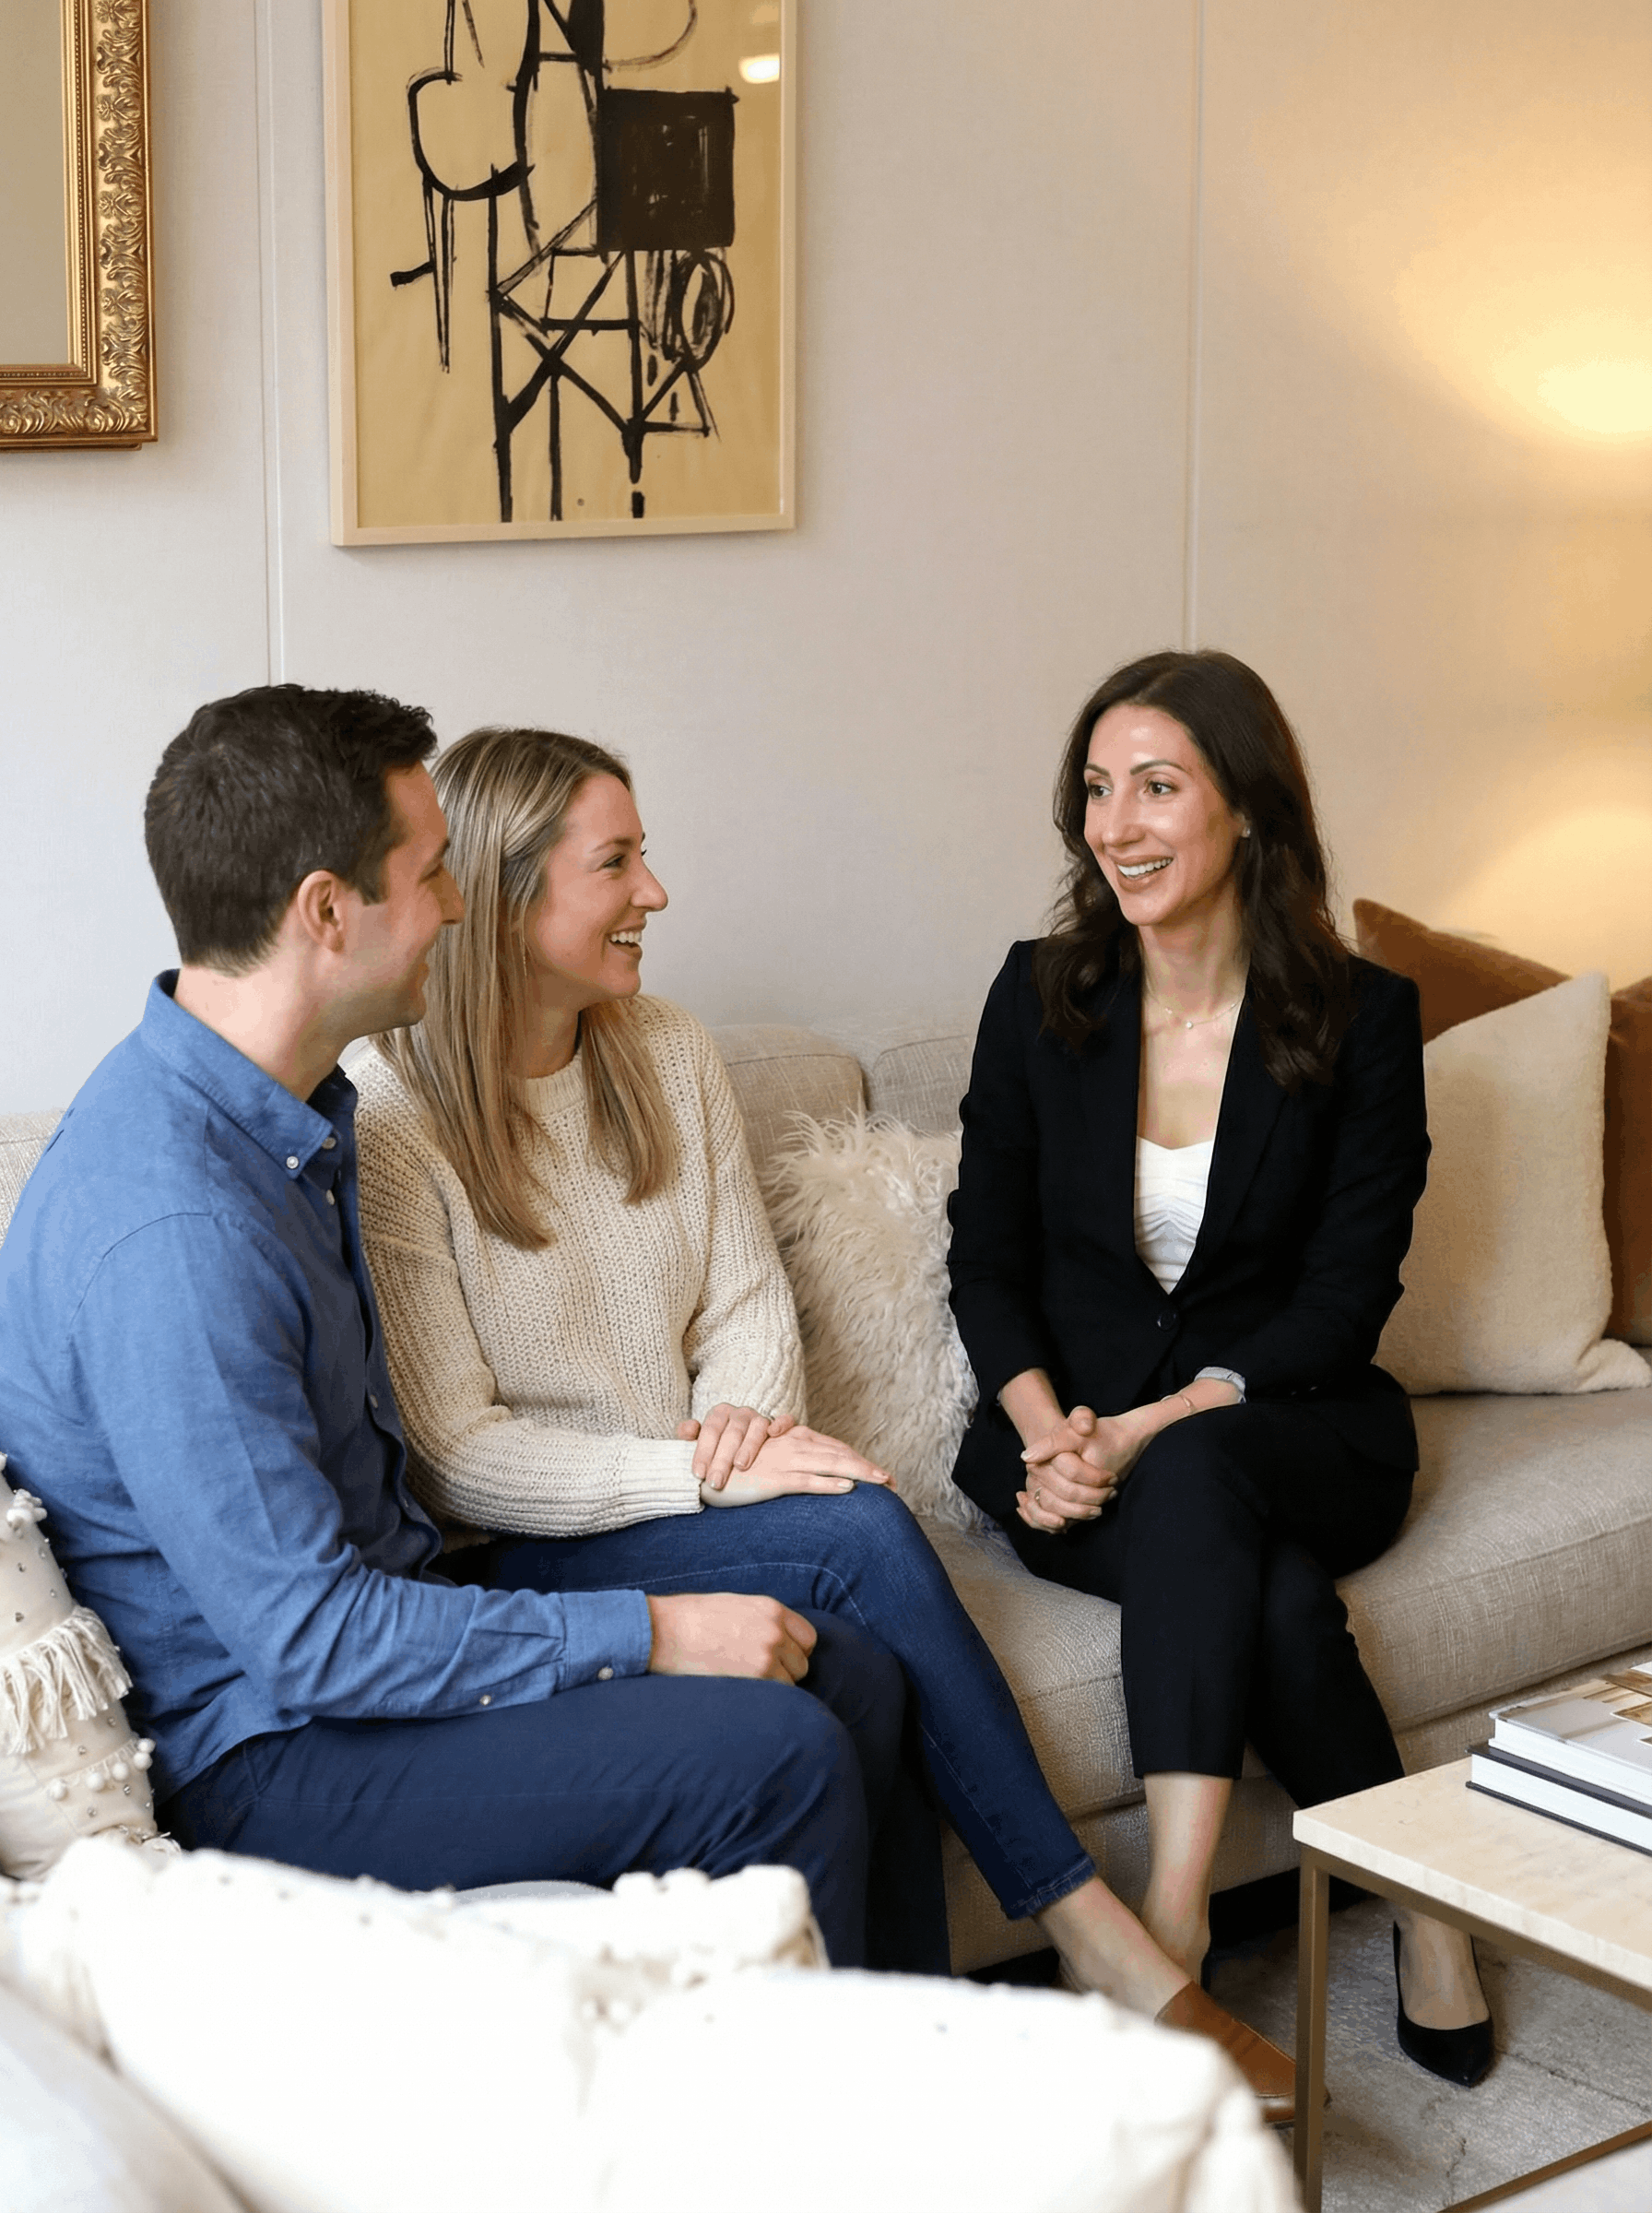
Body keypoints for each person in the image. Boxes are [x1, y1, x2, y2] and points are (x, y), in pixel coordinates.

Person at [350, 721, 1301, 2119]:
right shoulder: (394, 1112)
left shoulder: (665, 1051)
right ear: (505, 894)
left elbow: (749, 1306)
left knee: (859, 1663)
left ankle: (905, 2054)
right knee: (856, 1528)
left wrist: (738, 1436)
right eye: (617, 864)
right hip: (524, 1551)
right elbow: (457, 1455)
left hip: (693, 1501)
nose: (656, 893)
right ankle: (1099, 1939)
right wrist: (704, 1475)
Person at [0, 683, 911, 1969]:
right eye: (430, 874)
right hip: (273, 1757)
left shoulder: (282, 1115)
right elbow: (311, 1643)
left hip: (380, 1636)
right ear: (328, 911)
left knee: (846, 1669)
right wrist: (654, 1631)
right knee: (780, 1753)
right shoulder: (177, 1229)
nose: (457, 906)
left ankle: (932, 2055)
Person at [945, 648, 1494, 2087]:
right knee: (1280, 1606)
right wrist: (1046, 1433)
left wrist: (1150, 1426)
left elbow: (1343, 1302)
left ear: (1247, 805)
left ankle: (1171, 1927)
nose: (1114, 825)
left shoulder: (1363, 1017)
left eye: (1156, 787)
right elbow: (985, 1261)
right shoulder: (1038, 996)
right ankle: (1425, 1904)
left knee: (1196, 1468)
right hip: (1064, 1446)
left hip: (1295, 1428)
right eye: (1096, 789)